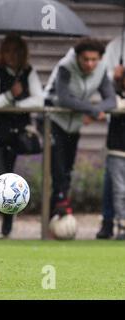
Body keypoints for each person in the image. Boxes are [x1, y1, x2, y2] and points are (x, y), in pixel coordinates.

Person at [0, 33, 44, 238]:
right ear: (2, 53)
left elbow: (39, 101)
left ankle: (6, 228)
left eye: (17, 51)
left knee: (11, 182)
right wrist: (9, 96)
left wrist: (16, 104)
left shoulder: (28, 73)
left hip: (15, 140)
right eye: (9, 51)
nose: (13, 55)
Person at [44, 38, 116, 220]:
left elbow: (111, 100)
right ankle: (57, 211)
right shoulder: (65, 67)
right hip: (53, 121)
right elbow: (64, 98)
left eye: (94, 59)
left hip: (74, 124)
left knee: (67, 171)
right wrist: (92, 110)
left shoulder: (100, 69)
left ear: (100, 58)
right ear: (78, 58)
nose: (90, 64)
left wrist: (96, 111)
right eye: (86, 59)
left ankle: (55, 216)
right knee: (57, 171)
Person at [98, 34, 125, 239]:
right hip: (117, 140)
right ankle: (110, 222)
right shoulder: (116, 46)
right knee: (115, 184)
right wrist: (114, 77)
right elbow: (101, 80)